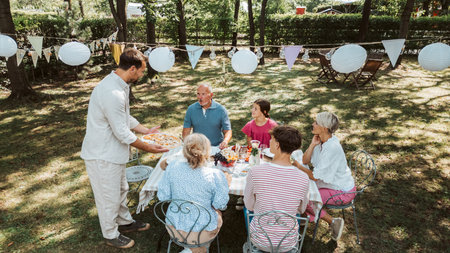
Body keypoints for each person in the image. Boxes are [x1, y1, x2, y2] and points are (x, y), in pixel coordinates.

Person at [81, 48, 169, 249]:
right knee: (108, 196)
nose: (141, 74)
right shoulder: (111, 92)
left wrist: (145, 130)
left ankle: (124, 222)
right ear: (132, 68)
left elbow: (124, 117)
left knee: (121, 188)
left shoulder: (120, 85)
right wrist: (149, 148)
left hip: (114, 152)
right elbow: (122, 132)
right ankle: (111, 233)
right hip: (102, 154)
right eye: (140, 71)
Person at [157, 133, 230, 253]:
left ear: (184, 151)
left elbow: (163, 197)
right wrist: (225, 185)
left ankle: (191, 249)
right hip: (202, 233)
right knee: (218, 212)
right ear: (207, 151)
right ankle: (196, 249)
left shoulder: (172, 167)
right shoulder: (215, 174)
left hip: (174, 227)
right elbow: (220, 204)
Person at [244, 125, 310, 252]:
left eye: (272, 140)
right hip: (288, 242)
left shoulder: (255, 171)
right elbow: (301, 210)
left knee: (247, 211)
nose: (269, 141)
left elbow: (249, 205)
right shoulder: (303, 178)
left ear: (277, 145)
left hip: (260, 240)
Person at [301, 111, 356, 241]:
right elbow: (305, 160)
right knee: (301, 189)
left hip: (343, 191)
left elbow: (314, 176)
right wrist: (312, 144)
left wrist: (298, 167)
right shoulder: (322, 141)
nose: (313, 124)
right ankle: (305, 214)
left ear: (324, 128)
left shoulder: (332, 147)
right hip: (330, 184)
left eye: (316, 123)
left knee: (306, 198)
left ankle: (333, 222)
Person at [182, 84, 232, 149]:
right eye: (198, 94)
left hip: (216, 147)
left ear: (211, 95)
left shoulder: (221, 110)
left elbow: (227, 130)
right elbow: (186, 130)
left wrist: (225, 141)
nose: (200, 97)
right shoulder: (191, 109)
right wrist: (186, 143)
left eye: (203, 94)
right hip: (197, 148)